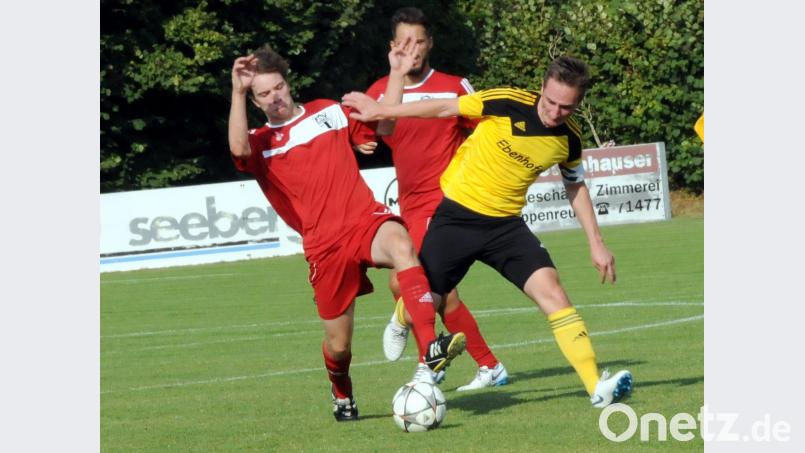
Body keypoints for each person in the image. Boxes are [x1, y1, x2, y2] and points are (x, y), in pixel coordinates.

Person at [342, 55, 633, 408]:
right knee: (427, 303)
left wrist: (596, 243)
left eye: (566, 108)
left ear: (578, 105)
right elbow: (444, 108)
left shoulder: (568, 138)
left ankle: (594, 387)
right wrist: (380, 111)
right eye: (550, 101)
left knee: (554, 293)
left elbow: (575, 185)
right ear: (541, 88)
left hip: (506, 227)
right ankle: (403, 318)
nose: (554, 112)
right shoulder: (507, 101)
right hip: (457, 217)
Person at [227, 43, 466, 422]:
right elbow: (237, 147)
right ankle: (342, 390)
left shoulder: (328, 112)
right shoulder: (260, 141)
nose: (274, 98)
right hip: (324, 247)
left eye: (277, 88)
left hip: (363, 221)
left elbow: (384, 124)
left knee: (404, 247)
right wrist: (237, 92)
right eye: (263, 94)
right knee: (339, 347)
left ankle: (429, 353)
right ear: (255, 102)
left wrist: (398, 74)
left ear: (288, 85)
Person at [359, 6, 508, 391]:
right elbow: (372, 134)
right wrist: (360, 140)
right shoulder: (381, 90)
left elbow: (490, 131)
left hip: (446, 203)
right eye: (405, 42)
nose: (413, 49)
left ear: (430, 44)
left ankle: (432, 361)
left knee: (417, 283)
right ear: (393, 46)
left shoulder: (454, 86)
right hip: (408, 206)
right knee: (417, 288)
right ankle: (484, 364)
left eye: (420, 41)